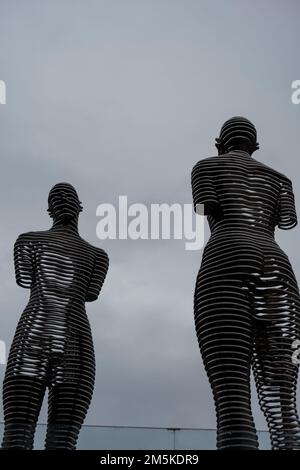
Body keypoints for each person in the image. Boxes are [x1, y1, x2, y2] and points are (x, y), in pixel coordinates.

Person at [191, 117, 300, 449]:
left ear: (219, 143)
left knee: (232, 394)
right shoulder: (281, 180)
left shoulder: (205, 166)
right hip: (278, 265)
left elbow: (202, 208)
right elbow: (286, 221)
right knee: (282, 398)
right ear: (255, 145)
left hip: (227, 256)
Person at [2, 183, 109, 450]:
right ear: (49, 209)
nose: (62, 201)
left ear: (79, 206)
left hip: (74, 342)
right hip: (36, 336)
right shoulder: (27, 241)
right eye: (56, 198)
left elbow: (90, 293)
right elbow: (25, 279)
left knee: (63, 441)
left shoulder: (98, 256)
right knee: (16, 435)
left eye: (68, 196)